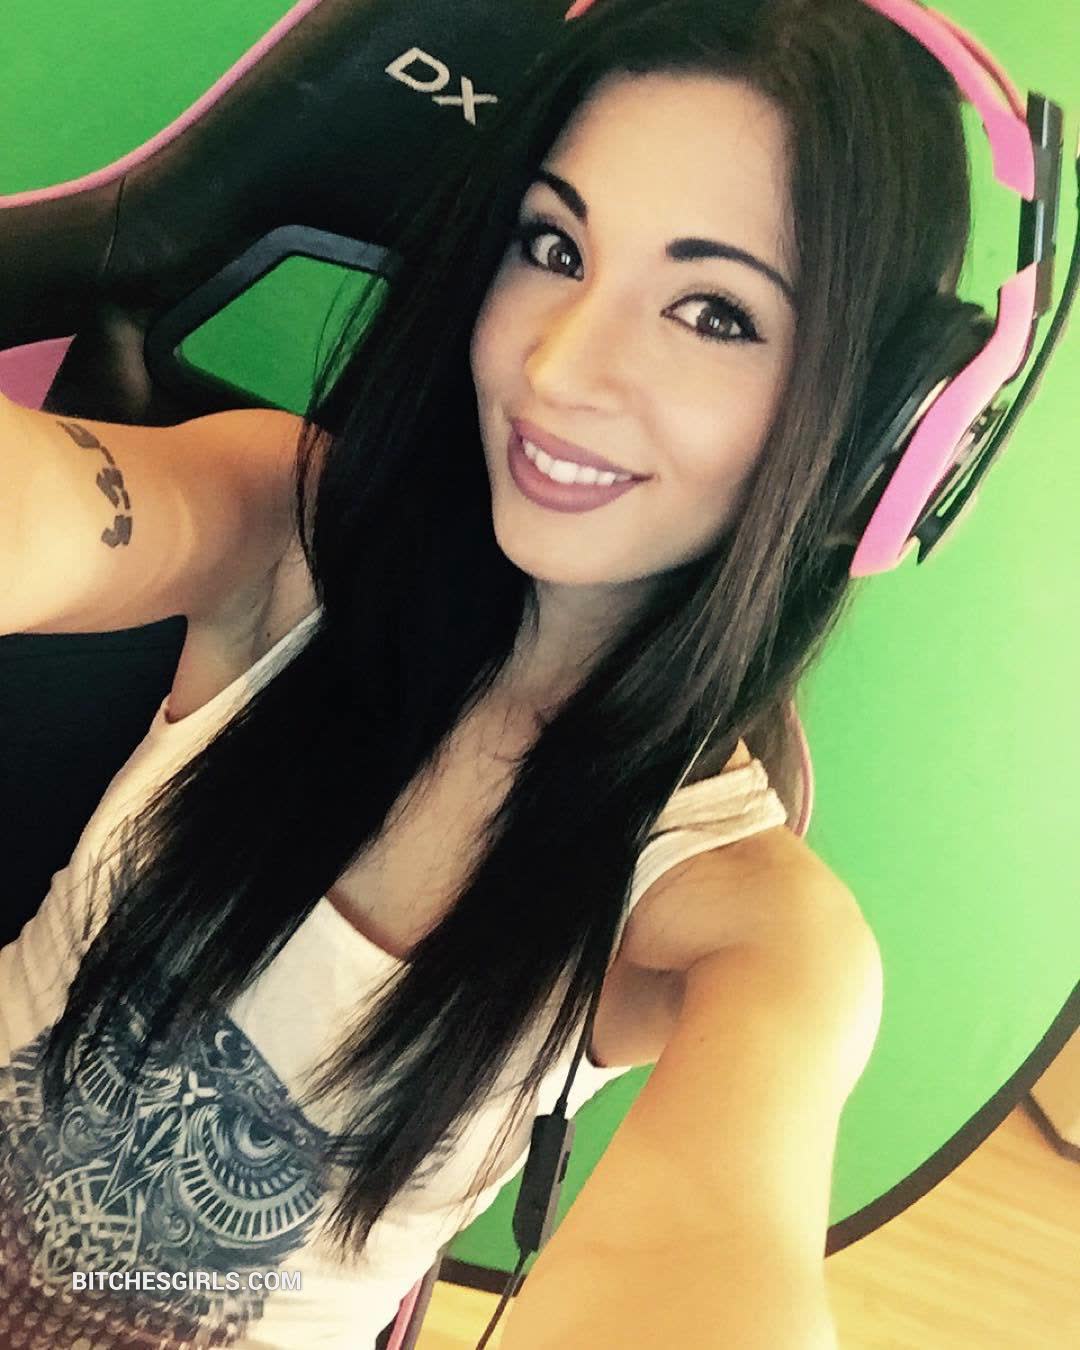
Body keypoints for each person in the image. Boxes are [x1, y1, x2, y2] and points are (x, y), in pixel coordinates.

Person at [0, 0, 986, 1342]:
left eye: (711, 311)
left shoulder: (751, 929)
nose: (558, 366)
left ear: (878, 433)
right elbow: (45, 510)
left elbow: (709, 1266)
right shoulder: (295, 529)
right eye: (553, 246)